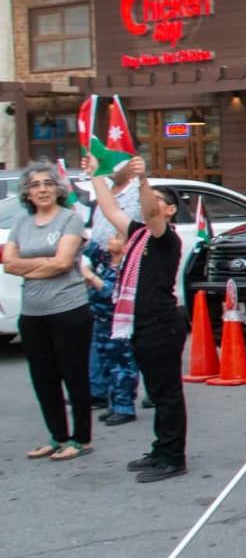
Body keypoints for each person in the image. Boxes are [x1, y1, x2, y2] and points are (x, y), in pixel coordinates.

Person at [86, 153, 191, 483]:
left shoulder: (165, 237)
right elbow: (110, 209)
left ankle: (173, 457)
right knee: (158, 393)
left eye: (159, 199)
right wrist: (96, 175)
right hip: (142, 324)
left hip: (161, 323)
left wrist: (144, 180)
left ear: (170, 210)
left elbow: (149, 212)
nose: (150, 203)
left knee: (167, 394)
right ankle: (161, 448)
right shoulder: (138, 235)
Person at [5, 162, 93, 461]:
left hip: (69, 310)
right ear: (27, 193)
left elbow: (64, 262)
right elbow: (8, 264)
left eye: (47, 183)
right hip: (32, 314)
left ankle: (81, 439)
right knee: (43, 379)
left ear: (57, 189)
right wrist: (47, 263)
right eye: (35, 185)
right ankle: (58, 437)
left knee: (74, 375)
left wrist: (30, 267)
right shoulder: (22, 223)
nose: (42, 189)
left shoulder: (70, 219)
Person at [84, 156, 143, 409]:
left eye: (115, 160)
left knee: (123, 348)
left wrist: (93, 277)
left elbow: (121, 220)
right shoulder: (106, 192)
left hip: (123, 265)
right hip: (102, 260)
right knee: (102, 343)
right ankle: (99, 391)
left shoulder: (137, 194)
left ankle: (124, 401)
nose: (111, 167)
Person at [83, 230, 138, 426]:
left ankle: (125, 407)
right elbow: (89, 247)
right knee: (107, 365)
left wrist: (90, 276)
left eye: (115, 238)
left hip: (118, 325)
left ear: (125, 247)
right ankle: (114, 404)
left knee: (122, 366)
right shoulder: (106, 260)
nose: (109, 240)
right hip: (102, 323)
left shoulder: (126, 269)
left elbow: (110, 291)